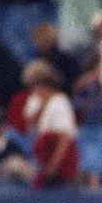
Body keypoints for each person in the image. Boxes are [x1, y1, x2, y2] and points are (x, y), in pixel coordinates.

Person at [22, 60, 80, 189]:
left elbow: (65, 138)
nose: (34, 90)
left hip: (60, 159)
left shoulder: (60, 101)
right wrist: (41, 106)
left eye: (36, 85)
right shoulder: (33, 101)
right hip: (42, 156)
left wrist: (53, 165)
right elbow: (30, 128)